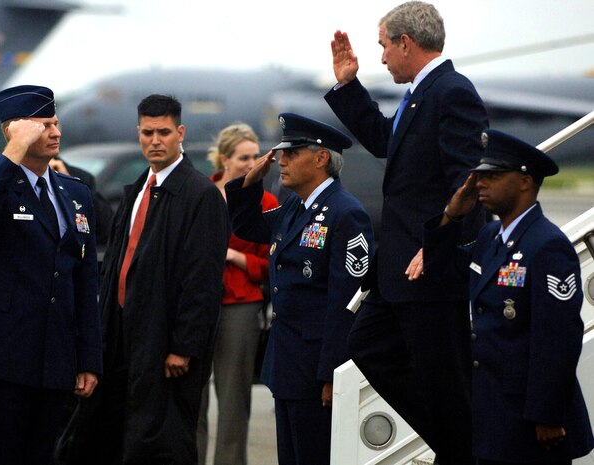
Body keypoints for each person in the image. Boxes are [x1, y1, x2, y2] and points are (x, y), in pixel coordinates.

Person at [324, 2, 489, 463]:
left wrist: (437, 244)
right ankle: (458, 442)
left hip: (428, 269)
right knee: (368, 346)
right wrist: (347, 85)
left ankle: (463, 446)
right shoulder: (421, 92)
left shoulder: (451, 91)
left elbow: (468, 182)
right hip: (400, 268)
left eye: (382, 46)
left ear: (405, 43)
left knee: (443, 383)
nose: (381, 58)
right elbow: (384, 142)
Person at [56, 94, 230, 465]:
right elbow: (117, 265)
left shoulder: (200, 195)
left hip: (164, 342)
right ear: (138, 133)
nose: (155, 140)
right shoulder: (138, 189)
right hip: (119, 337)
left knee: (160, 442)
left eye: (164, 132)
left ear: (180, 133)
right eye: (148, 132)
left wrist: (184, 345)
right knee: (112, 436)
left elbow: (203, 279)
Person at [414, 128, 594, 465]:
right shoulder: (490, 236)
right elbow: (439, 272)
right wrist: (451, 214)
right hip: (493, 413)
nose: (479, 183)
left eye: (492, 176)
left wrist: (547, 415)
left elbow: (557, 337)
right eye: (480, 176)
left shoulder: (547, 245)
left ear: (525, 182)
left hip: (531, 420)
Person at [0, 84, 102, 465]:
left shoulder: (74, 192)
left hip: (54, 357)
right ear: (13, 130)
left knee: (43, 456)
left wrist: (88, 359)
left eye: (56, 123)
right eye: (44, 125)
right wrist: (13, 150)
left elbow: (84, 278)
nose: (56, 133)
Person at [225, 113, 375, 465]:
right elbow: (248, 228)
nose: (281, 160)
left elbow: (347, 304)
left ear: (321, 158)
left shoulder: (344, 213)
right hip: (288, 364)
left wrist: (331, 375)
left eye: (292, 153)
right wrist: (249, 183)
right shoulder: (295, 206)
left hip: (317, 369)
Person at [197, 123, 278, 465]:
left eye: (255, 156)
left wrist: (236, 256)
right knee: (192, 399)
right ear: (224, 159)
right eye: (244, 157)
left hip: (240, 304)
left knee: (233, 401)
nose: (251, 163)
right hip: (198, 304)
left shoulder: (267, 201)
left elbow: (272, 262)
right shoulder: (201, 192)